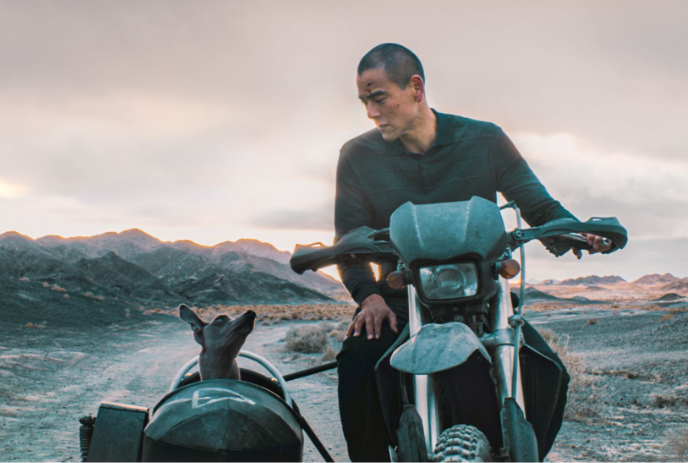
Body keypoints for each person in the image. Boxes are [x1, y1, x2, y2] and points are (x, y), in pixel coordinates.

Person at [334, 43, 612, 462]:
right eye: (364, 102)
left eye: (378, 98)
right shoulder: (357, 156)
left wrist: (578, 233)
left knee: (547, 371)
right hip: (403, 293)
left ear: (415, 87)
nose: (371, 112)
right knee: (359, 362)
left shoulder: (483, 139)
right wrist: (367, 296)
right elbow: (349, 238)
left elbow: (538, 205)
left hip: (481, 291)